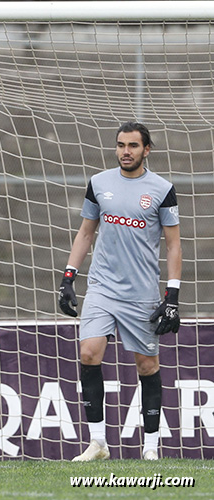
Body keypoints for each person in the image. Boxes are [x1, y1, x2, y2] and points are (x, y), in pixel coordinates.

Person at [58, 122, 182, 461]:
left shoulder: (162, 189)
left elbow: (173, 245)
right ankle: (98, 443)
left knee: (146, 366)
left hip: (141, 292)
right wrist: (68, 277)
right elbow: (86, 232)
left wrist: (172, 295)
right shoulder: (99, 183)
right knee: (88, 353)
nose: (125, 151)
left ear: (146, 150)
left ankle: (151, 447)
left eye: (133, 146)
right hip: (102, 287)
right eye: (121, 145)